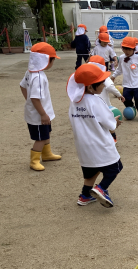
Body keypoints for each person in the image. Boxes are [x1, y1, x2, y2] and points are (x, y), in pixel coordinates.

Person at [67, 63, 123, 208]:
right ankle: (101, 189)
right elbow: (110, 124)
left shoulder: (74, 102)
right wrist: (115, 123)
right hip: (100, 143)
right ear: (91, 87)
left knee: (91, 172)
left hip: (83, 146)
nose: (104, 85)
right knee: (115, 167)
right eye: (101, 82)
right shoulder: (96, 101)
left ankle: (85, 196)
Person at [20, 42, 62, 171]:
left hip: (41, 112)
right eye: (52, 59)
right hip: (39, 115)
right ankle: (34, 160)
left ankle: (47, 154)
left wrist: (28, 102)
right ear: (46, 60)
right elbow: (35, 97)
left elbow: (22, 86)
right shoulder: (37, 77)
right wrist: (42, 113)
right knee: (40, 138)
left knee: (46, 133)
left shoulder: (30, 72)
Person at [88, 55, 125, 143]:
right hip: (103, 104)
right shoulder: (103, 76)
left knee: (95, 123)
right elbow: (110, 86)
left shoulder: (87, 76)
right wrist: (119, 95)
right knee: (108, 122)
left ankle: (97, 140)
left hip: (90, 105)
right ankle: (113, 138)